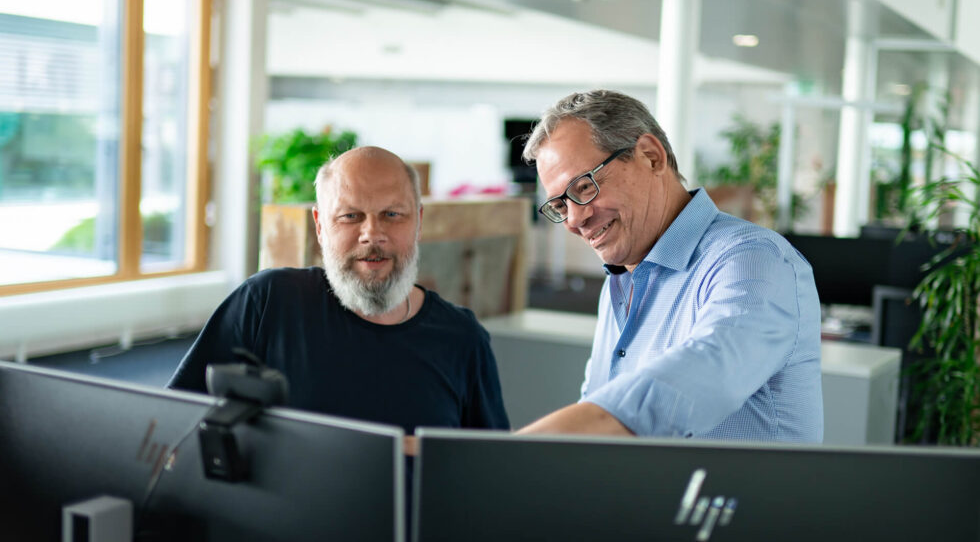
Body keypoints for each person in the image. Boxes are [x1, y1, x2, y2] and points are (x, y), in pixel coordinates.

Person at [517, 90, 822, 442]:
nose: (574, 219)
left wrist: (516, 453)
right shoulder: (620, 280)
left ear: (650, 156)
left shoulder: (753, 259)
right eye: (560, 205)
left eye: (584, 187)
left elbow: (684, 390)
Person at [168, 146, 510, 437]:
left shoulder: (463, 339)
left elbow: (487, 476)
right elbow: (173, 425)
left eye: (392, 214)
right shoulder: (268, 303)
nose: (372, 234)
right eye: (350, 216)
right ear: (320, 226)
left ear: (418, 222)